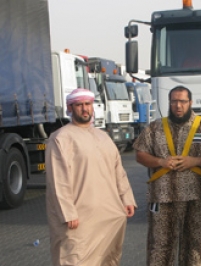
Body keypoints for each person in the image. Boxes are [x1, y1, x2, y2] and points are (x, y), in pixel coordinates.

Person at [133, 86, 201, 266]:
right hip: (163, 197)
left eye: (182, 101)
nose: (178, 106)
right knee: (160, 247)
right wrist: (160, 162)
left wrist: (196, 161)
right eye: (174, 101)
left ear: (190, 103)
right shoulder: (155, 127)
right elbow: (139, 154)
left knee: (196, 247)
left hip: (199, 197)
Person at [45, 88, 137, 266]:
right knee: (74, 258)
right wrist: (68, 212)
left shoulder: (103, 137)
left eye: (88, 104)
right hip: (79, 217)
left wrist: (127, 199)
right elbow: (58, 180)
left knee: (108, 258)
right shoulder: (61, 138)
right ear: (70, 108)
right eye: (79, 105)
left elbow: (118, 170)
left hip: (108, 213)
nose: (85, 109)